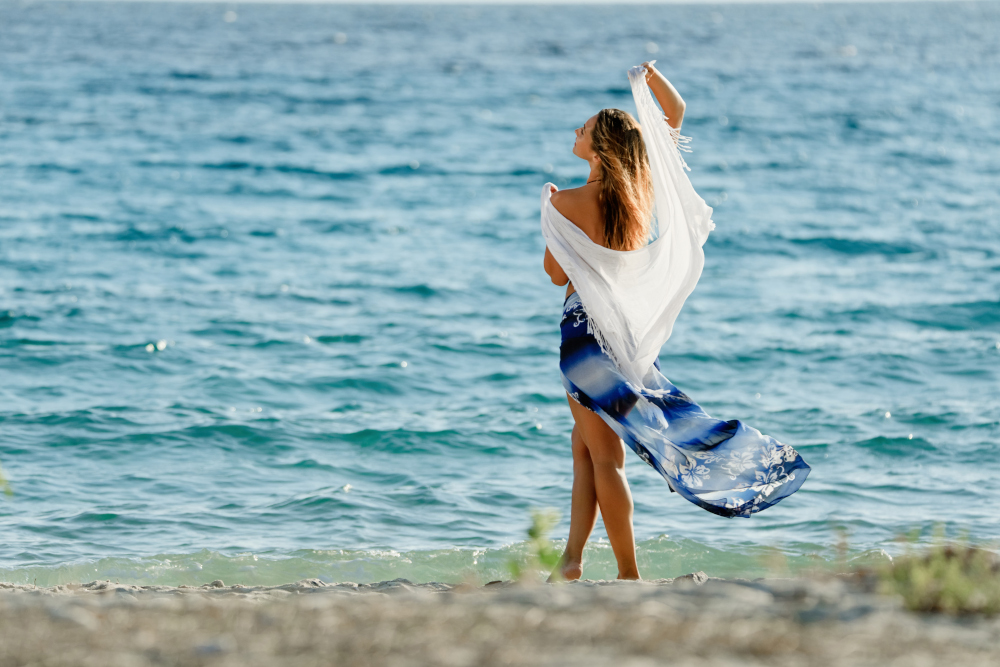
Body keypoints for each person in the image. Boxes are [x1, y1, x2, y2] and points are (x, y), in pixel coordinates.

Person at [542, 62, 810, 581]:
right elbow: (676, 114)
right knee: (586, 448)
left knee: (604, 457)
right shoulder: (638, 196)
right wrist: (651, 76)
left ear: (599, 149)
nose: (575, 132)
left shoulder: (565, 203)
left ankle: (626, 573)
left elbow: (557, 276)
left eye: (585, 129)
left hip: (583, 339)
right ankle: (571, 562)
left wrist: (550, 215)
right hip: (622, 336)